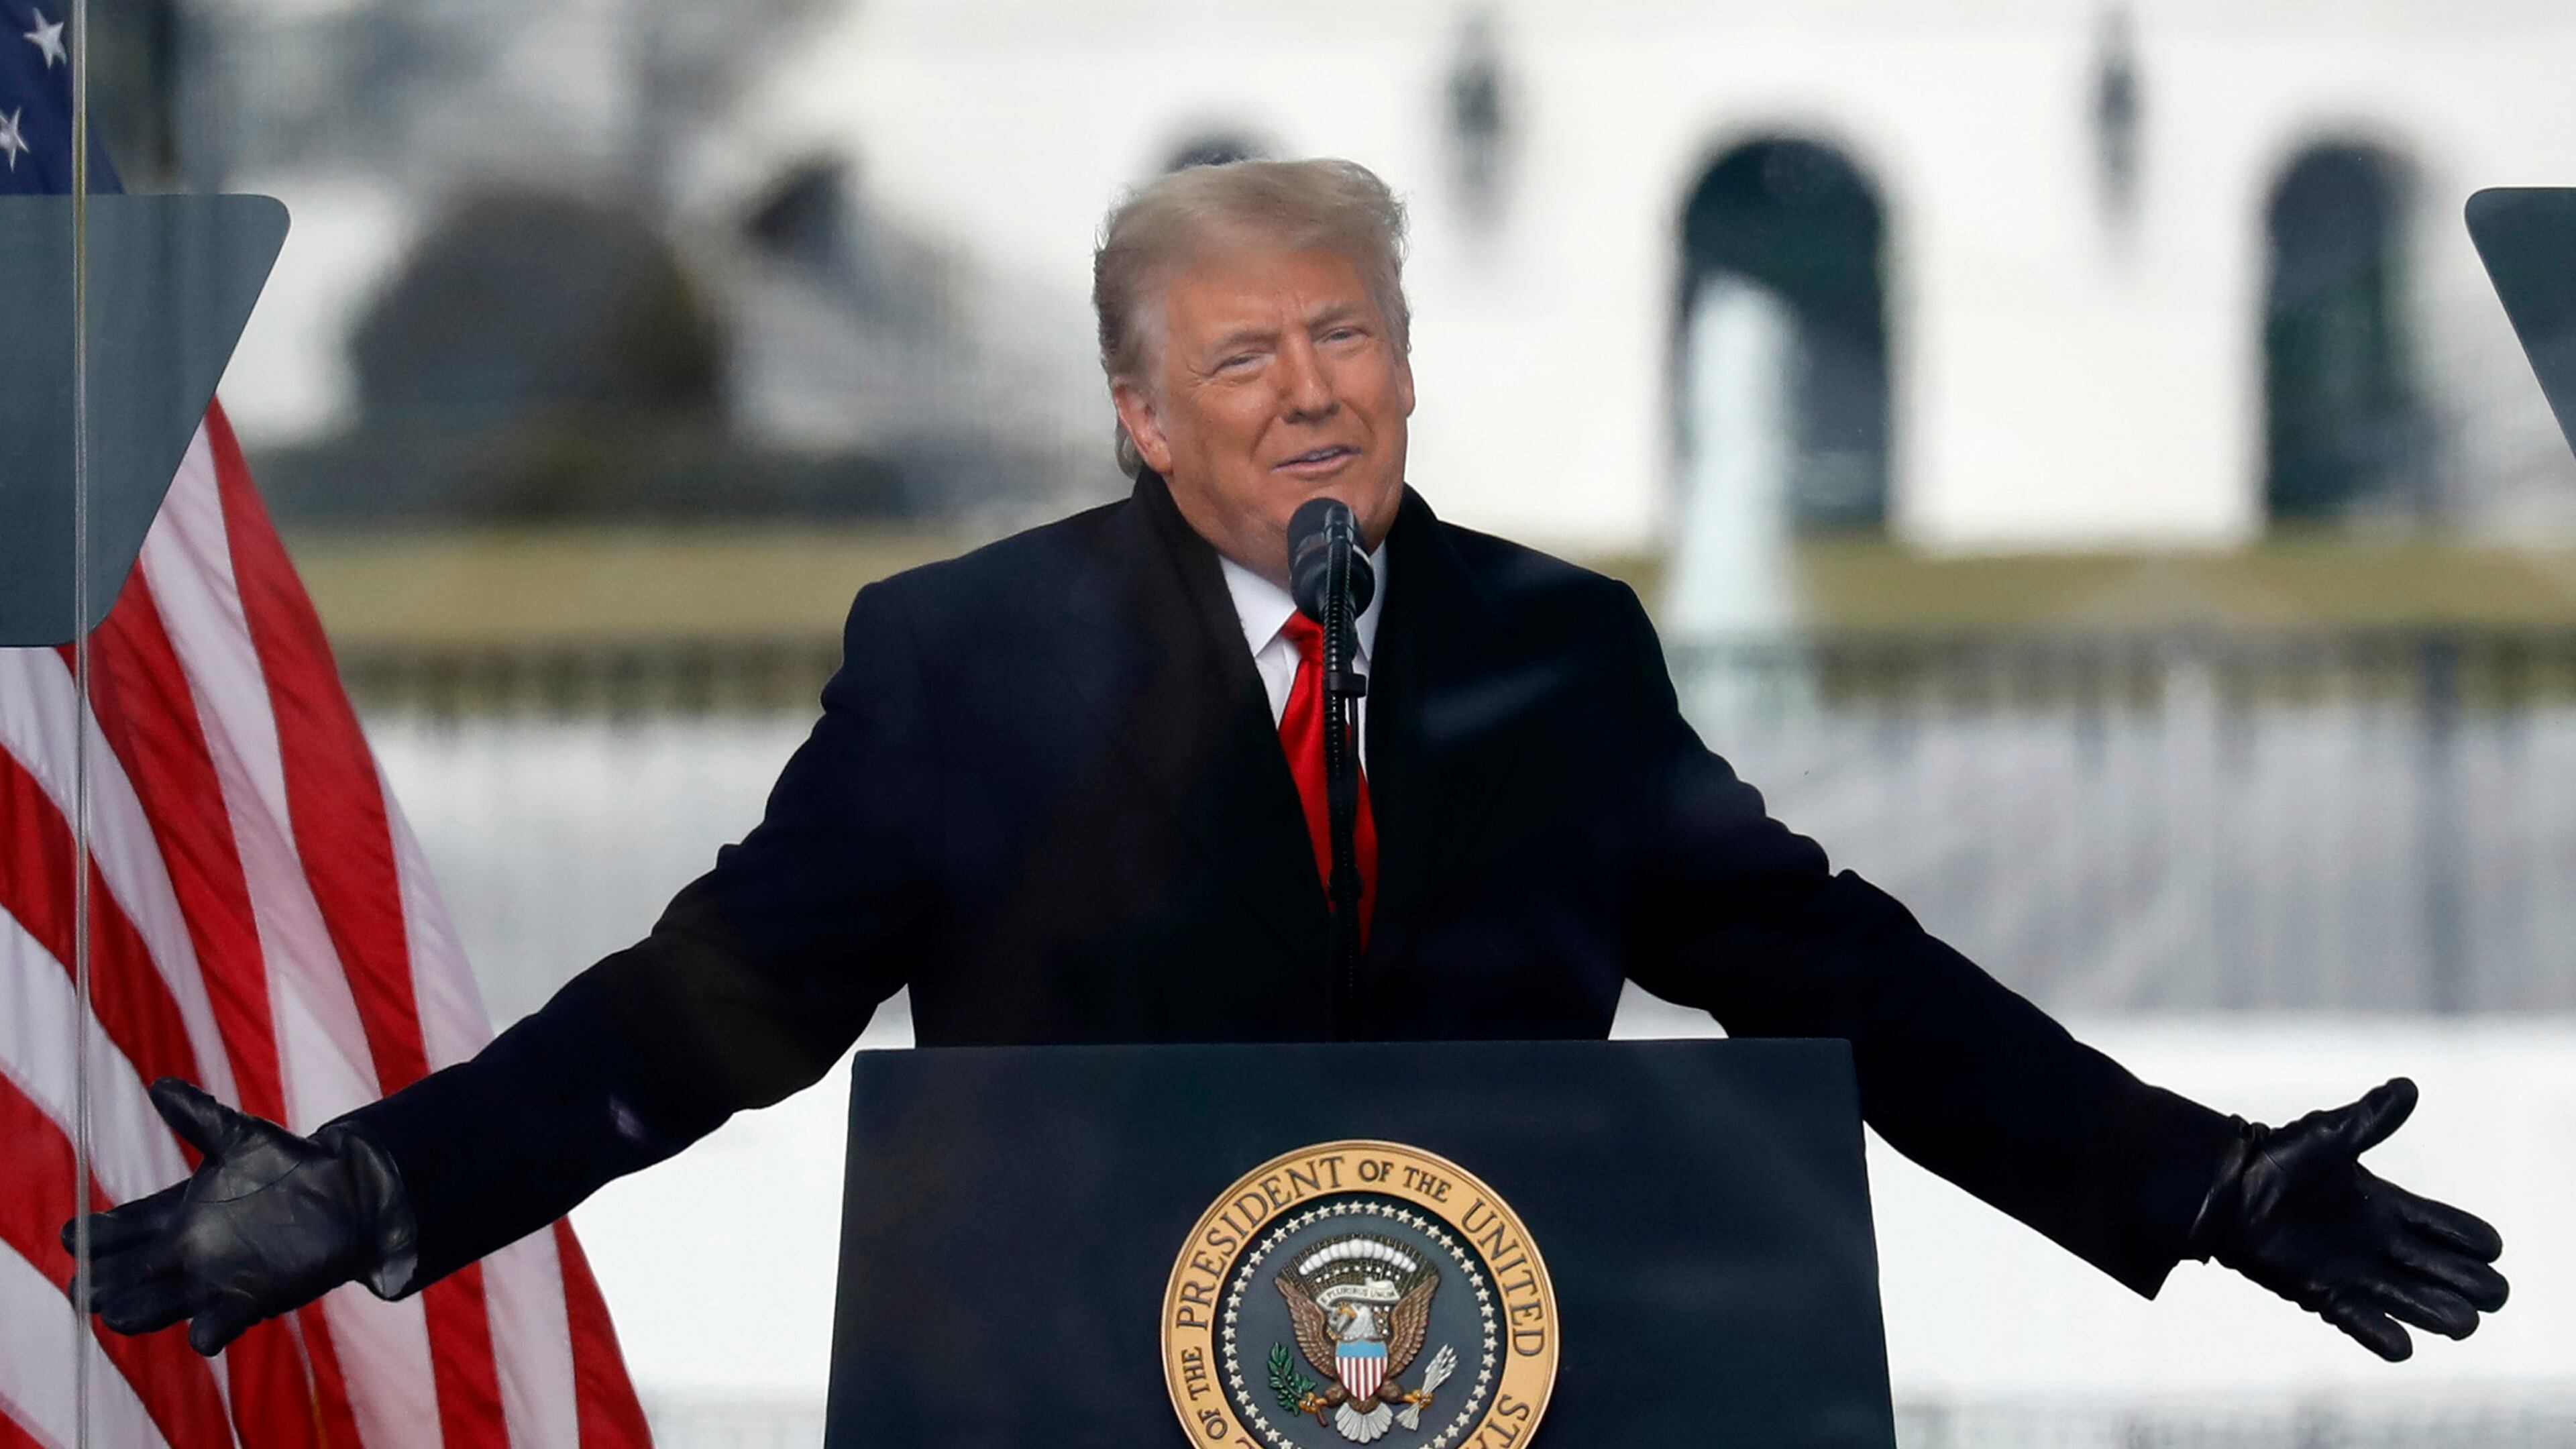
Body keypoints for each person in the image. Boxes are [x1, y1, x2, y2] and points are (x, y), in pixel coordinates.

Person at [69, 158, 2506, 1366]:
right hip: (1067, 1403)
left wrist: (2194, 1185)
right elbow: (709, 1007)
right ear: (1136, 412)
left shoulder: (1555, 652)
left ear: (1411, 363)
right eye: (1242, 359)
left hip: (1509, 1393)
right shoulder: (964, 660)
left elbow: (1831, 972)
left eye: (1346, 336)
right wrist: (381, 1187)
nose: (1312, 390)